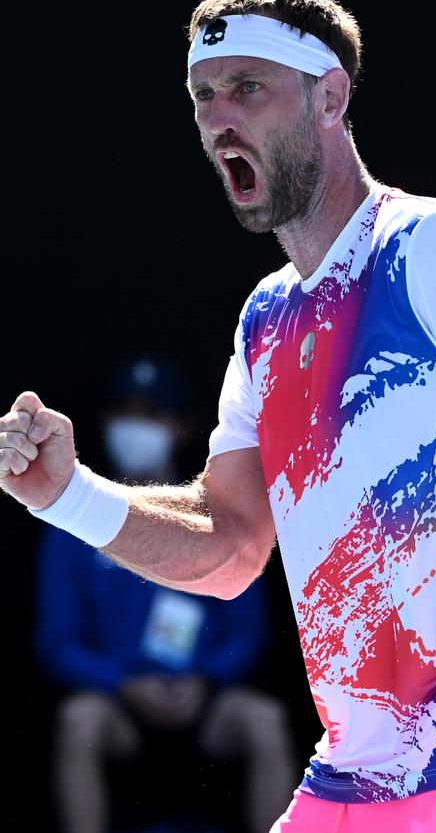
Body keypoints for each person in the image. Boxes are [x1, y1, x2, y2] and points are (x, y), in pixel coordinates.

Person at [1, 0, 436, 832]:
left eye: (248, 88)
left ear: (330, 97)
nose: (218, 117)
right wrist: (67, 495)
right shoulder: (265, 321)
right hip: (351, 778)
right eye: (202, 95)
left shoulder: (435, 248)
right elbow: (230, 549)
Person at [32, 356, 296, 833]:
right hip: (118, 707)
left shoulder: (212, 517)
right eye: (127, 413)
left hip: (206, 701)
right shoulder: (72, 519)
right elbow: (58, 639)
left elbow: (249, 629)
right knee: (78, 721)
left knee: (264, 721)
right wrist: (120, 683)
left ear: (179, 427)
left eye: (153, 415)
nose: (138, 427)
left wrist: (205, 678)